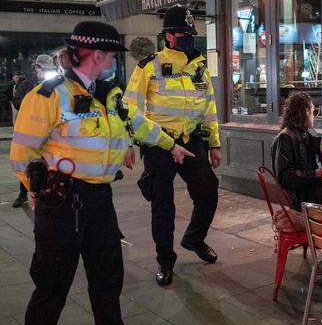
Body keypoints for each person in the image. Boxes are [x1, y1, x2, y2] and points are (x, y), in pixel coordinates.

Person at [9, 21, 191, 324]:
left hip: (100, 201)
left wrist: (171, 144)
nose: (112, 61)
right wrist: (38, 192)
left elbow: (137, 123)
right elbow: (21, 155)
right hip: (62, 201)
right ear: (96, 54)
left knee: (108, 283)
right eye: (110, 55)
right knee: (52, 288)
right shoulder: (49, 96)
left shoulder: (108, 94)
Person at [124, 5, 222, 287]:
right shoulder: (149, 65)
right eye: (182, 33)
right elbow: (130, 108)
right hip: (159, 145)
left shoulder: (200, 69)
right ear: (168, 35)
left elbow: (210, 110)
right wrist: (129, 141)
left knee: (208, 192)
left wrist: (214, 143)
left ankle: (194, 238)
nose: (187, 37)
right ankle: (165, 261)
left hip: (191, 141)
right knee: (162, 208)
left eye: (190, 33)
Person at [10, 55, 59, 208]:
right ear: (37, 68)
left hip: (49, 136)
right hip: (29, 131)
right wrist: (31, 101)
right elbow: (16, 101)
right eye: (42, 68)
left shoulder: (57, 85)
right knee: (30, 167)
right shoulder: (28, 85)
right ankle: (24, 193)